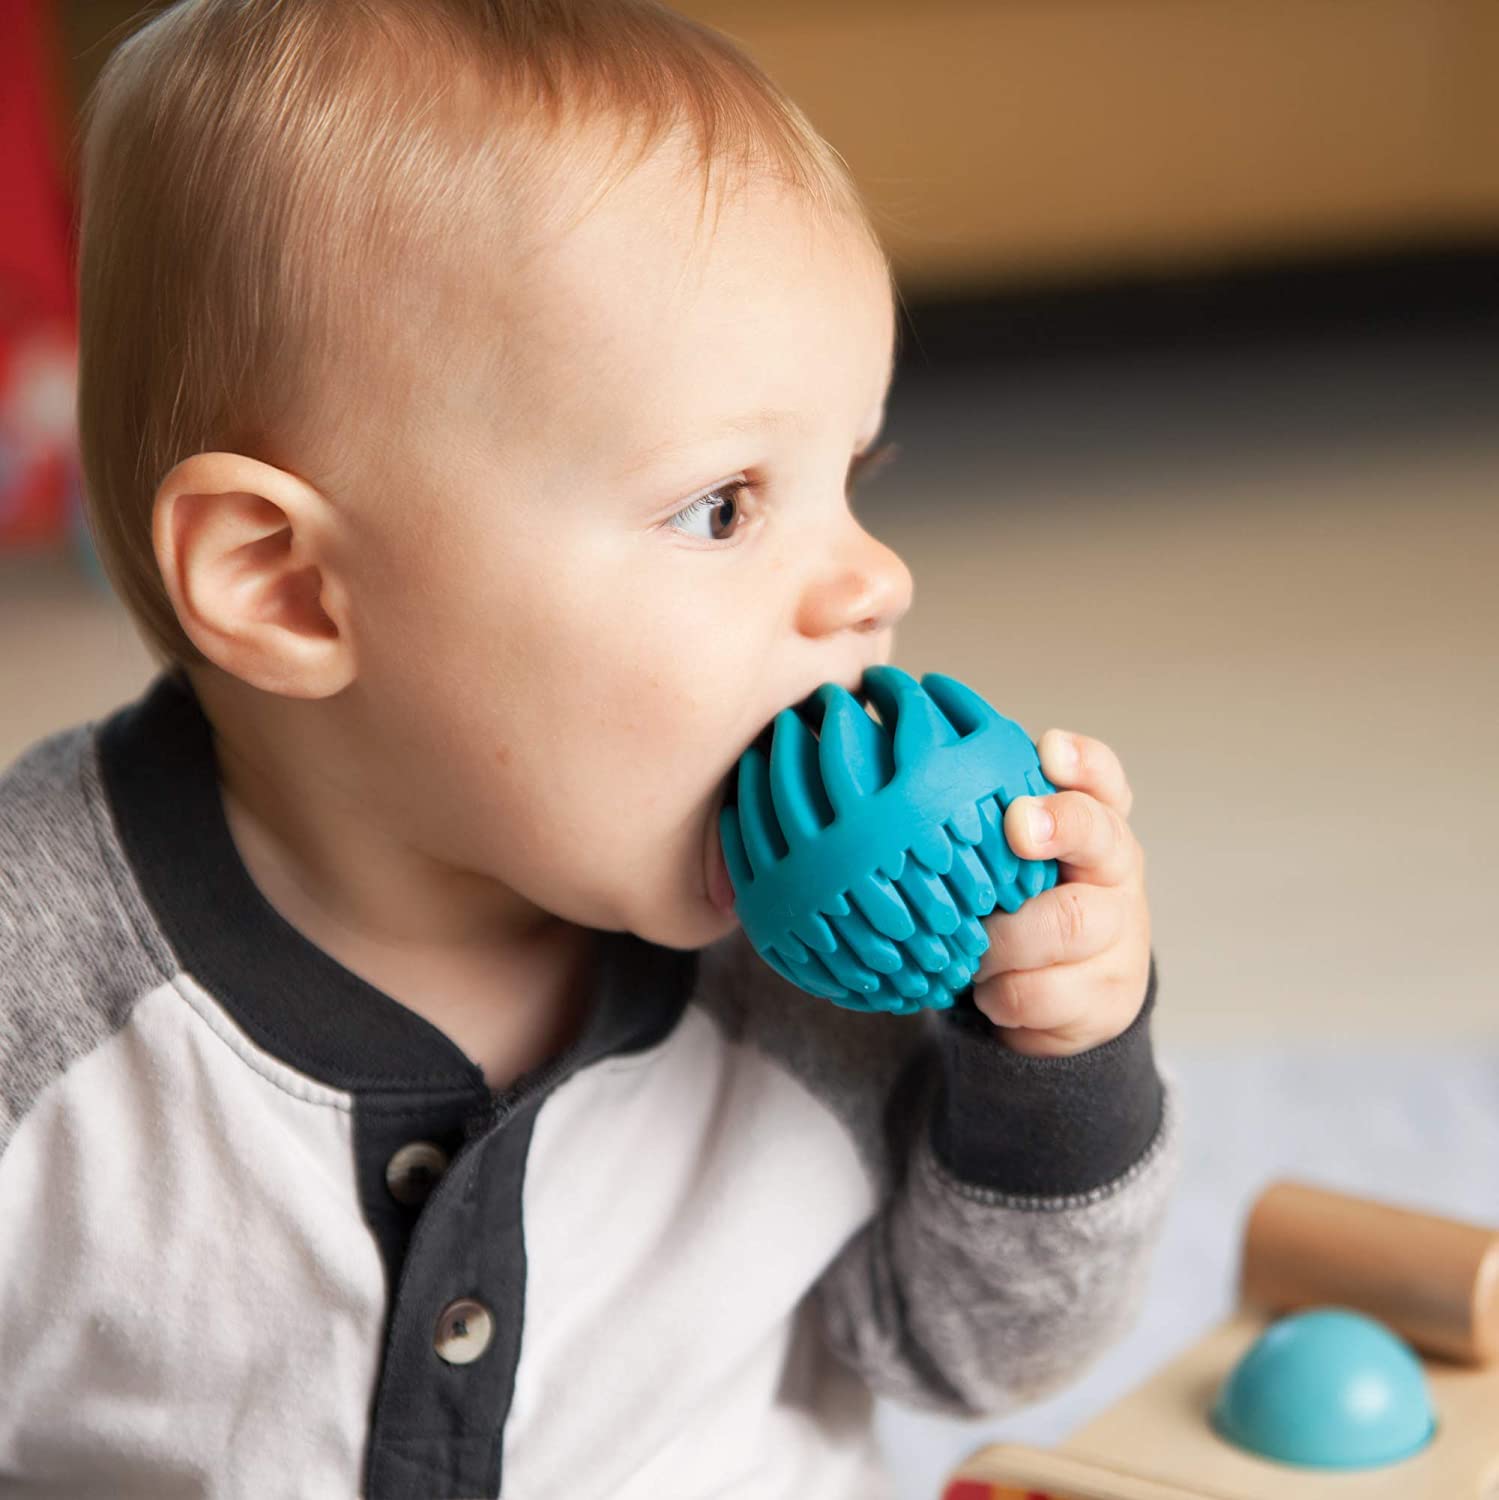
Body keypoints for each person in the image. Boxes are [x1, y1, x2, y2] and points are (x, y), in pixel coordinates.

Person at [0, 2, 1176, 1495]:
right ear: (288, 586)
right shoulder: (36, 988)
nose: (875, 580)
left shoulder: (807, 979)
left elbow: (977, 1351)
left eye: (852, 475)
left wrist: (1054, 1067)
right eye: (724, 507)